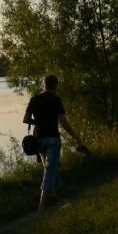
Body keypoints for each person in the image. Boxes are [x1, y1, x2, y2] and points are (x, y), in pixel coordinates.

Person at [23, 74, 83, 211]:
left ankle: (58, 200)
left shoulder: (34, 99)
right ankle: (41, 206)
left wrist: (38, 121)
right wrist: (75, 137)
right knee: (50, 169)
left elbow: (25, 119)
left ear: (44, 85)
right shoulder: (56, 100)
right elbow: (63, 121)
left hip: (39, 139)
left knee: (49, 169)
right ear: (56, 85)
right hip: (53, 139)